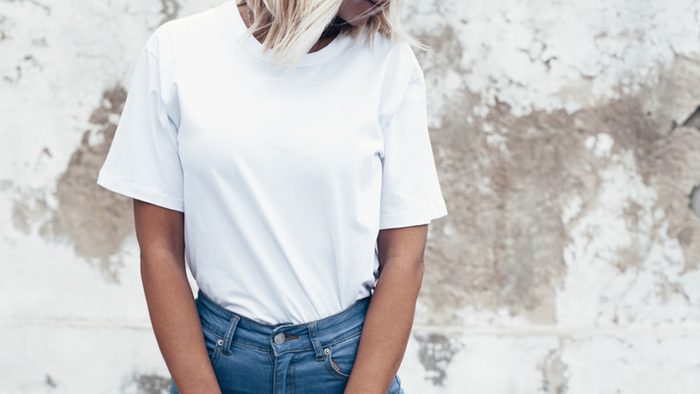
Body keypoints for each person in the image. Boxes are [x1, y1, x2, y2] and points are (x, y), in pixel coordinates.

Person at [96, 0, 448, 392]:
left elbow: (405, 257)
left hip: (349, 367)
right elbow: (160, 247)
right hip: (216, 364)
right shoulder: (178, 50)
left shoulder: (388, 62)